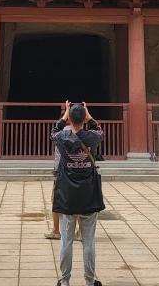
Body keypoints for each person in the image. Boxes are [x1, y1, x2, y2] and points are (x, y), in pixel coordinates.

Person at [51, 102, 104, 286]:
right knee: (88, 241)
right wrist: (89, 117)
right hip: (88, 194)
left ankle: (64, 281)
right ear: (84, 118)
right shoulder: (93, 138)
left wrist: (65, 115)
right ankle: (90, 281)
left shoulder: (61, 137)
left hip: (67, 196)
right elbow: (99, 129)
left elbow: (54, 131)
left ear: (69, 119)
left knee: (66, 241)